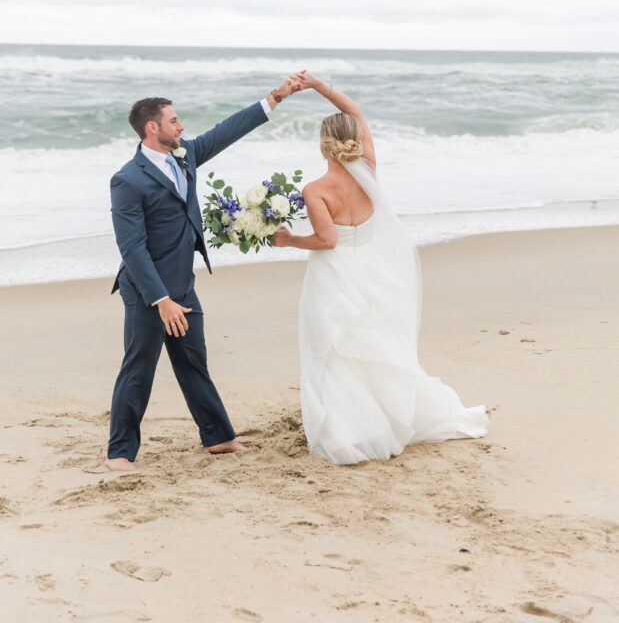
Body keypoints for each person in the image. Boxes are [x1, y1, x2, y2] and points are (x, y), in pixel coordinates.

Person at [273, 71, 488, 465]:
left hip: (334, 274)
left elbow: (327, 241)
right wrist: (318, 85)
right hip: (371, 269)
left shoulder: (316, 190)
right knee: (372, 346)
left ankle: (344, 434)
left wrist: (290, 240)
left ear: (323, 147)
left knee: (333, 349)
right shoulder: (368, 167)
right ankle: (380, 421)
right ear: (354, 141)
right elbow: (355, 110)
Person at [106, 76, 302, 471]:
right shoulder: (127, 179)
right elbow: (132, 248)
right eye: (173, 121)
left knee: (193, 363)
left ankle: (218, 437)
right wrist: (161, 301)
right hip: (148, 291)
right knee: (139, 369)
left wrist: (275, 98)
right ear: (152, 128)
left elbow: (226, 131)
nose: (181, 126)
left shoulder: (185, 155)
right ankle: (120, 452)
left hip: (182, 283)